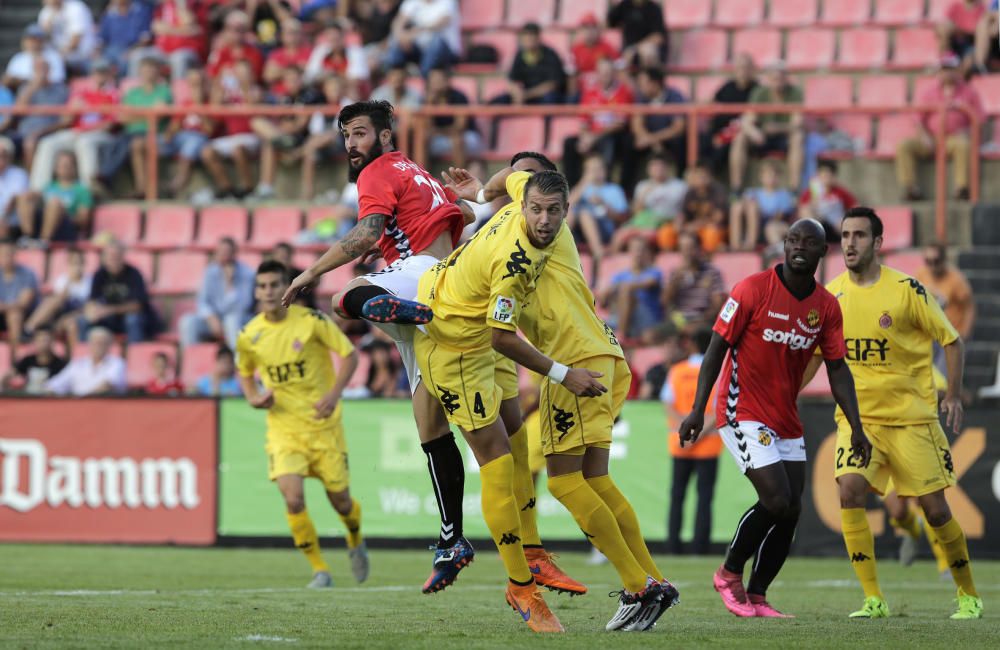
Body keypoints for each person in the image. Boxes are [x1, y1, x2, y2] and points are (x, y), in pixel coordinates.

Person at [411, 164, 655, 633]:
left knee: (519, 441)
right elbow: (505, 338)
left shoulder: (528, 191)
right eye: (537, 211)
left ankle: (534, 551)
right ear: (524, 209)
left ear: (566, 210)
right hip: (456, 341)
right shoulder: (515, 263)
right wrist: (565, 375)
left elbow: (513, 174)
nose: (544, 219)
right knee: (498, 462)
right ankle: (521, 588)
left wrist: (482, 194)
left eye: (553, 211)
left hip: (479, 329)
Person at [280, 100, 479, 593]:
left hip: (420, 280)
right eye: (346, 134)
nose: (352, 143)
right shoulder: (421, 174)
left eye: (360, 133)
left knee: (343, 297)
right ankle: (453, 538)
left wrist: (309, 271)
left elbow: (367, 231)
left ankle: (403, 309)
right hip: (449, 282)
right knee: (430, 423)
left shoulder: (379, 170)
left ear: (385, 137)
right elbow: (466, 216)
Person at [678, 218, 872, 618]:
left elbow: (837, 369)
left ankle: (758, 595)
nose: (800, 247)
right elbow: (716, 349)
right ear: (784, 246)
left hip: (784, 415)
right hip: (741, 408)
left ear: (823, 253)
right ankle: (729, 573)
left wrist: (857, 427)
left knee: (792, 509)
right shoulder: (752, 289)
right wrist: (698, 408)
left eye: (809, 242)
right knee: (776, 498)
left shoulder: (826, 307)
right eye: (793, 240)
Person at [801, 207, 982, 620]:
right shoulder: (831, 296)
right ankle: (872, 599)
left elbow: (951, 341)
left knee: (935, 510)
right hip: (859, 420)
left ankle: (968, 594)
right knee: (848, 490)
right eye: (845, 235)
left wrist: (952, 395)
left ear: (878, 243)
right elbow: (815, 356)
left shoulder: (907, 291)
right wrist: (788, 391)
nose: (849, 243)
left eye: (859, 235)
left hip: (912, 419)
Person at [236, 260, 368, 588]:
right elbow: (245, 371)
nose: (268, 291)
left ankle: (354, 537)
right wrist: (253, 397)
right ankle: (319, 570)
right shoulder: (249, 335)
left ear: (287, 288)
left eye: (274, 285)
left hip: (324, 427)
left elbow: (350, 355)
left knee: (341, 502)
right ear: (256, 291)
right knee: (292, 498)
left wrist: (335, 395)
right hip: (284, 429)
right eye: (262, 286)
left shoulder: (312, 321)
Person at [661, 328, 719, 555]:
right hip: (709, 445)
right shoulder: (718, 371)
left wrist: (685, 428)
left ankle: (673, 546)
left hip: (680, 443)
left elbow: (668, 404)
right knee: (704, 499)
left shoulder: (677, 370)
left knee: (677, 496)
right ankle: (700, 548)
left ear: (692, 345)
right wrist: (701, 432)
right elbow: (720, 408)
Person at [895, 54, 983, 201]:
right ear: (938, 72)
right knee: (904, 145)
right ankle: (910, 188)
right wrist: (924, 137)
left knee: (963, 144)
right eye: (943, 69)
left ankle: (961, 188)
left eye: (950, 68)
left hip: (954, 139)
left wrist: (967, 132)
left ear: (958, 70)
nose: (947, 72)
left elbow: (979, 119)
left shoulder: (970, 92)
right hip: (931, 139)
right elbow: (918, 119)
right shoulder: (928, 92)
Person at [28, 57, 119, 192]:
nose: (99, 75)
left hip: (100, 135)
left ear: (109, 74)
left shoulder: (114, 94)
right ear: (92, 74)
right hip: (77, 132)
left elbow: (110, 125)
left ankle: (88, 189)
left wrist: (88, 128)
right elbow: (67, 119)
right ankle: (38, 189)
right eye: (97, 72)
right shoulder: (81, 92)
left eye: (103, 72)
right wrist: (73, 110)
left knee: (85, 142)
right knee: (47, 143)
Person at [251, 65, 322, 199]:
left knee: (270, 141)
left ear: (301, 79)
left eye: (295, 79)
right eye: (288, 80)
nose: (291, 83)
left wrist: (288, 127)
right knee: (258, 125)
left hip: (304, 140)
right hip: (287, 137)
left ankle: (282, 140)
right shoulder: (286, 98)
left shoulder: (310, 95)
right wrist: (286, 128)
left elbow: (301, 124)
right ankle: (265, 188)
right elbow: (283, 123)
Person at [730, 62, 804, 192]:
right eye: (774, 78)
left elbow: (797, 123)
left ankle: (794, 188)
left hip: (784, 137)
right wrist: (755, 132)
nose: (778, 81)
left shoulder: (795, 93)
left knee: (798, 138)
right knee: (740, 137)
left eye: (781, 77)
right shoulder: (759, 93)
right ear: (768, 79)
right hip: (762, 136)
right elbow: (747, 120)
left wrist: (779, 128)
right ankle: (736, 187)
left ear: (786, 78)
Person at [561, 57, 634, 187]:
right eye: (602, 72)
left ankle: (606, 185)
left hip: (612, 135)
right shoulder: (590, 92)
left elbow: (619, 124)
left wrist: (594, 137)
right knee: (569, 143)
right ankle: (570, 188)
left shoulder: (623, 92)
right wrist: (584, 138)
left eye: (608, 72)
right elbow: (584, 120)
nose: (605, 75)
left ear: (614, 73)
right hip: (592, 135)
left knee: (609, 141)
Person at [179, 237, 255, 349]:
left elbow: (243, 307)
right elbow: (202, 302)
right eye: (220, 252)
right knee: (187, 322)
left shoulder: (247, 274)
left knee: (231, 321)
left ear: (234, 254)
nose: (223, 255)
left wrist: (230, 284)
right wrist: (211, 317)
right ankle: (190, 360)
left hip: (240, 320)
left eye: (226, 252)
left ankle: (235, 361)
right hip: (215, 320)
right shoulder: (210, 272)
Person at [201, 59, 261, 200]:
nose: (240, 75)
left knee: (238, 149)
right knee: (207, 152)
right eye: (238, 72)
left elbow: (253, 107)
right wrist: (218, 92)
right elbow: (214, 116)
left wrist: (244, 86)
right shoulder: (227, 93)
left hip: (251, 136)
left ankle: (248, 188)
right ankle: (226, 189)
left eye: (243, 72)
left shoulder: (256, 90)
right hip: (232, 137)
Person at [624, 66, 686, 192]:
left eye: (644, 83)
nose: (640, 86)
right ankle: (627, 191)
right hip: (648, 140)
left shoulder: (675, 96)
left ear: (654, 83)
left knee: (681, 143)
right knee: (628, 143)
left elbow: (678, 127)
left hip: (667, 139)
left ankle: (681, 186)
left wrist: (653, 139)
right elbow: (637, 123)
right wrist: (650, 140)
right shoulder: (642, 97)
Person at [81, 239, 155, 342]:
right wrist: (91, 311)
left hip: (132, 319)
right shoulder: (99, 275)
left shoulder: (134, 274)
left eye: (116, 256)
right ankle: (84, 355)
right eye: (110, 256)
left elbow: (137, 306)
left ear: (122, 257)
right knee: (83, 321)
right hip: (110, 319)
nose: (113, 259)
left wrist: (108, 310)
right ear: (104, 258)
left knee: (132, 320)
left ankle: (136, 354)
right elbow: (92, 300)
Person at [123, 56, 174, 198]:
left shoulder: (164, 90)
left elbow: (161, 115)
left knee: (141, 144)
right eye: (146, 69)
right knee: (137, 143)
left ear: (158, 72)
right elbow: (123, 117)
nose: (149, 73)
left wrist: (136, 114)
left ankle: (143, 189)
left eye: (152, 69)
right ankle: (145, 189)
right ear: (140, 71)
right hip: (131, 134)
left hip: (155, 133)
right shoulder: (132, 92)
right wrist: (150, 112)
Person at [17, 150, 94, 244]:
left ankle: (44, 241)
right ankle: (27, 237)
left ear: (74, 168)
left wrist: (61, 212)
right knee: (25, 196)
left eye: (67, 165)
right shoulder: (49, 186)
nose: (64, 168)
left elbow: (83, 220)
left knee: (54, 203)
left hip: (65, 227)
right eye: (61, 165)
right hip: (43, 223)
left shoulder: (82, 190)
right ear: (55, 168)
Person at [614, 153, 686, 252]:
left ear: (668, 168)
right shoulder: (642, 185)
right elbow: (636, 212)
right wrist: (644, 194)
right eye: (654, 166)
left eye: (661, 165)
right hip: (644, 222)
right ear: (648, 169)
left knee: (644, 238)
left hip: (666, 222)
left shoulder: (679, 186)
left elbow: (684, 210)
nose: (658, 169)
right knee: (620, 235)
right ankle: (613, 261)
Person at [599, 235, 664, 341]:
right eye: (635, 250)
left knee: (626, 290)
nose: (638, 253)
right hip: (620, 315)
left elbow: (649, 283)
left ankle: (621, 335)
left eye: (641, 250)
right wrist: (607, 293)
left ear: (647, 252)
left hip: (646, 321)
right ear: (630, 252)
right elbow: (603, 301)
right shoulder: (620, 275)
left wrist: (619, 287)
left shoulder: (654, 271)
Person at [566, 153, 629, 263]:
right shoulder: (582, 188)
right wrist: (584, 181)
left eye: (599, 168)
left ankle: (598, 252)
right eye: (591, 169)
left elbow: (622, 217)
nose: (596, 172)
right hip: (578, 231)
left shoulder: (614, 189)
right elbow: (566, 207)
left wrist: (603, 204)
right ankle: (557, 246)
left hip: (605, 230)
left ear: (605, 170)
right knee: (572, 211)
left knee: (584, 213)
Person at [703, 53, 758, 175]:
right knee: (701, 142)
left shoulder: (757, 90)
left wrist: (726, 136)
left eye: (746, 67)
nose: (743, 71)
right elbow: (712, 105)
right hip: (719, 131)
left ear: (752, 69)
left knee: (720, 152)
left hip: (740, 132)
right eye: (740, 68)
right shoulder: (727, 87)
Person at [661, 231, 726, 329]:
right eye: (683, 248)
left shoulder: (712, 272)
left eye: (690, 248)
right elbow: (664, 302)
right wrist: (674, 283)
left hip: (702, 320)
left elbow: (718, 305)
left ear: (699, 249)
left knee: (696, 334)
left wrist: (701, 320)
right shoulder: (675, 273)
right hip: (679, 321)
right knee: (650, 336)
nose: (687, 252)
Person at [490, 23, 566, 105]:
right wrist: (516, 93)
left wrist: (527, 95)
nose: (528, 41)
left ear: (538, 38)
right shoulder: (520, 55)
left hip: (542, 96)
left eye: (531, 37)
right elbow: (512, 80)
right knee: (499, 101)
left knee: (550, 99)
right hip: (526, 95)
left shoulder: (550, 55)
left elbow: (552, 85)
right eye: (525, 37)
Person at [23, 247, 91, 339]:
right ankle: (28, 328)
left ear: (84, 264)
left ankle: (76, 352)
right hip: (60, 313)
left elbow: (88, 307)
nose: (77, 267)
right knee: (52, 300)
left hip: (78, 314)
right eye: (74, 263)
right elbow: (58, 302)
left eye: (79, 263)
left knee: (72, 324)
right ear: (69, 264)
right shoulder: (63, 280)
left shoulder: (89, 281)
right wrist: (70, 282)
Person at [730, 160, 796, 252]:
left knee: (756, 211)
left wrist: (760, 211)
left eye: (774, 175)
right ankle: (735, 244)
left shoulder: (784, 195)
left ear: (779, 178)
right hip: (753, 223)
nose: (771, 178)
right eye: (768, 175)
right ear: (761, 177)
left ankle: (750, 244)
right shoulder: (752, 192)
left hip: (771, 224)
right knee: (738, 206)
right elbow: (742, 207)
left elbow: (779, 216)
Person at [425, 65, 482, 169]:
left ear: (447, 81)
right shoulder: (428, 99)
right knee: (422, 138)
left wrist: (437, 131)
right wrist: (429, 104)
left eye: (438, 79)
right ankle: (422, 180)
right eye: (432, 80)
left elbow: (460, 127)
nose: (435, 83)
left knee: (457, 139)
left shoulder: (459, 97)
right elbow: (427, 127)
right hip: (440, 138)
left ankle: (460, 181)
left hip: (467, 136)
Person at [915, 244, 975, 341]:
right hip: (929, 337)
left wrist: (965, 333)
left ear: (944, 260)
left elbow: (969, 307)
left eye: (936, 261)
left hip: (951, 337)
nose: (932, 266)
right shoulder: (920, 275)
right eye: (928, 261)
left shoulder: (956, 280)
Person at [384, 0, 460, 78]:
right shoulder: (412, 2)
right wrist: (402, 37)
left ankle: (425, 79)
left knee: (436, 42)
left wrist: (415, 33)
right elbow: (397, 24)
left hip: (446, 52)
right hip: (420, 50)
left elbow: (442, 22)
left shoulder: (447, 2)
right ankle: (395, 78)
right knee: (396, 43)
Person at [45, 326, 126, 396]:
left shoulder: (117, 363)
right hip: (78, 407)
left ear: (109, 346)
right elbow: (56, 384)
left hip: (106, 407)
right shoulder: (78, 364)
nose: (98, 347)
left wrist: (83, 399)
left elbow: (107, 385)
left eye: (102, 343)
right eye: (95, 343)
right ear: (89, 344)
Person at [797, 160, 858, 243]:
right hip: (818, 225)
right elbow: (802, 211)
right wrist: (813, 204)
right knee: (806, 211)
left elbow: (855, 207)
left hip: (835, 228)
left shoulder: (840, 192)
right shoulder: (810, 193)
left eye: (828, 175)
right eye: (823, 175)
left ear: (833, 176)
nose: (825, 178)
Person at [675, 163, 729, 254]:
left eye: (704, 175)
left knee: (711, 233)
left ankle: (709, 255)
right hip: (693, 230)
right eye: (698, 175)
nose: (701, 178)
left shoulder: (718, 191)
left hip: (713, 229)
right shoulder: (690, 193)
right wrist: (679, 224)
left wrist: (697, 225)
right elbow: (682, 214)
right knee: (667, 232)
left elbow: (718, 218)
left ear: (710, 177)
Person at [0, 239, 40, 354]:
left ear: (15, 254)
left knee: (14, 316)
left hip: (24, 316)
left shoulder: (28, 273)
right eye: (3, 254)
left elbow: (23, 303)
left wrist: (4, 306)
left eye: (9, 253)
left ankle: (14, 360)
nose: (7, 257)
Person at [96, 0, 153, 76]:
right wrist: (97, 51)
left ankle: (129, 85)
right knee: (99, 62)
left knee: (127, 60)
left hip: (133, 48)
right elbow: (102, 39)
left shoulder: (141, 11)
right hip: (111, 49)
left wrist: (132, 50)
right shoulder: (109, 14)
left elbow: (145, 38)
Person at [2, 23, 66, 91]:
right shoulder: (18, 58)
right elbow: (7, 81)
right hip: (20, 92)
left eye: (37, 39)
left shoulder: (53, 57)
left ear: (43, 41)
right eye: (31, 39)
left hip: (47, 93)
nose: (34, 43)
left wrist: (26, 81)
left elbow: (57, 80)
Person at [3, 327, 67, 394]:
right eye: (40, 340)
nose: (43, 344)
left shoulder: (60, 364)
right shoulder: (27, 360)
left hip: (49, 400)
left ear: (52, 341)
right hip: (28, 398)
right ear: (34, 341)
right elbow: (10, 374)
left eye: (46, 340)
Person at [38, 0, 97, 72]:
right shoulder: (45, 13)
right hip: (60, 59)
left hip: (83, 57)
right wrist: (47, 29)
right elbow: (43, 40)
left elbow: (76, 40)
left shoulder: (76, 7)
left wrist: (57, 58)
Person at [606, 0, 667, 69]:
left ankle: (645, 78)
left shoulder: (654, 8)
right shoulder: (624, 5)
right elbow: (608, 23)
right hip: (626, 53)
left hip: (642, 50)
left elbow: (658, 37)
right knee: (609, 64)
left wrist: (634, 49)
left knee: (647, 51)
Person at [0, 138, 28, 241]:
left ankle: (27, 237)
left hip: (13, 220)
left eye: (3, 155)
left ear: (10, 157)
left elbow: (16, 198)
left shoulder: (19, 174)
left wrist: (3, 217)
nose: (1, 159)